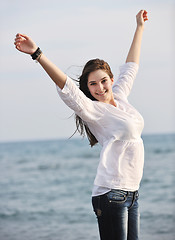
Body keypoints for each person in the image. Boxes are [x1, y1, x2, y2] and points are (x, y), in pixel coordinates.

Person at [14, 9, 148, 240]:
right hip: (111, 194)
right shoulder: (93, 110)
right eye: (93, 84)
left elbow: (131, 66)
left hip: (132, 194)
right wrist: (37, 53)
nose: (100, 88)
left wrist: (139, 28)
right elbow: (68, 88)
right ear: (88, 87)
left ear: (111, 79)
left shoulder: (121, 97)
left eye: (103, 81)